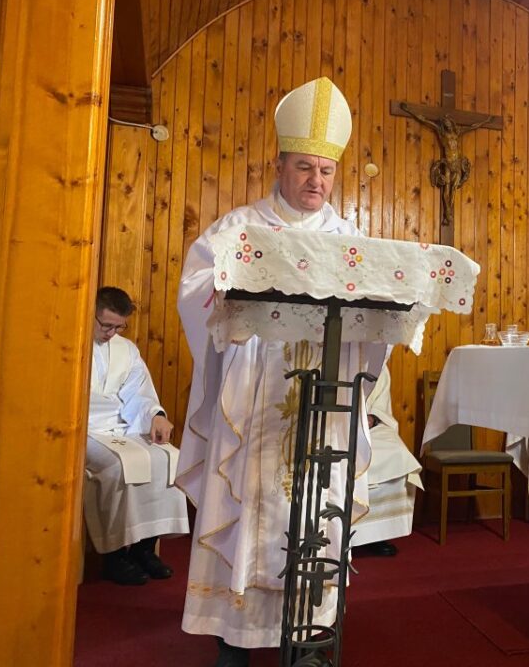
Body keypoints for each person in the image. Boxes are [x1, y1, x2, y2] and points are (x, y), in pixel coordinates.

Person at [176, 77, 389, 667]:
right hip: (255, 393)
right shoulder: (239, 230)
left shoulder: (351, 241)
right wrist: (232, 299)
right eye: (304, 167)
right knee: (247, 507)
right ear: (280, 164)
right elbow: (196, 289)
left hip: (323, 401)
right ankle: (235, 640)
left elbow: (378, 320)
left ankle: (309, 640)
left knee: (316, 507)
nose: (315, 181)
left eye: (325, 170)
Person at [84, 286, 189, 585]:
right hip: (84, 429)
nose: (111, 333)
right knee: (121, 465)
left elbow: (138, 394)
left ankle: (144, 549)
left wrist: (155, 415)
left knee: (169, 457)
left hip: (120, 425)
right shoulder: (71, 345)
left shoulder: (126, 350)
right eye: (105, 325)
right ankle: (114, 556)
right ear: (90, 313)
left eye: (119, 327)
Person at [351, 365, 422, 557]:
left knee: (397, 454)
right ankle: (340, 534)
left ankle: (375, 534)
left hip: (368, 427)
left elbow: (380, 404)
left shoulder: (376, 362)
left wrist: (372, 417)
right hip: (334, 424)